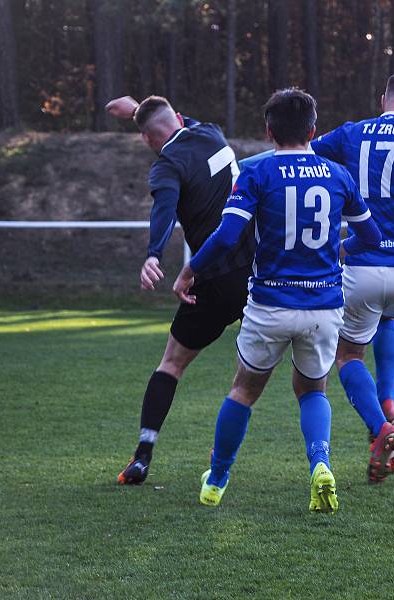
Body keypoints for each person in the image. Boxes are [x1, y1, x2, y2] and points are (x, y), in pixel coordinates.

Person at [172, 89, 382, 511]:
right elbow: (371, 237)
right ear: (314, 130)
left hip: (270, 304)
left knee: (243, 391)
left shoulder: (257, 174)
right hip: (324, 307)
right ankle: (320, 465)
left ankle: (217, 478)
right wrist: (338, 250)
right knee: (312, 391)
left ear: (268, 131)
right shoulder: (338, 175)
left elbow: (228, 236)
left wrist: (189, 271)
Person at [239, 72, 394, 479]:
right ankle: (387, 396)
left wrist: (238, 164)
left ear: (382, 98)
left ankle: (380, 427)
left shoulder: (352, 133)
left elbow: (294, 153)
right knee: (388, 316)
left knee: (348, 354)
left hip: (363, 265)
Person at [105, 95, 256, 485]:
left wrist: (154, 254)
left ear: (146, 139)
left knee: (172, 364)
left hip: (213, 278)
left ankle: (142, 455)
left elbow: (163, 210)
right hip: (258, 272)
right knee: (255, 370)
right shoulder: (211, 132)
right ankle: (224, 445)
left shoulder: (167, 164)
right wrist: (139, 108)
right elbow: (171, 119)